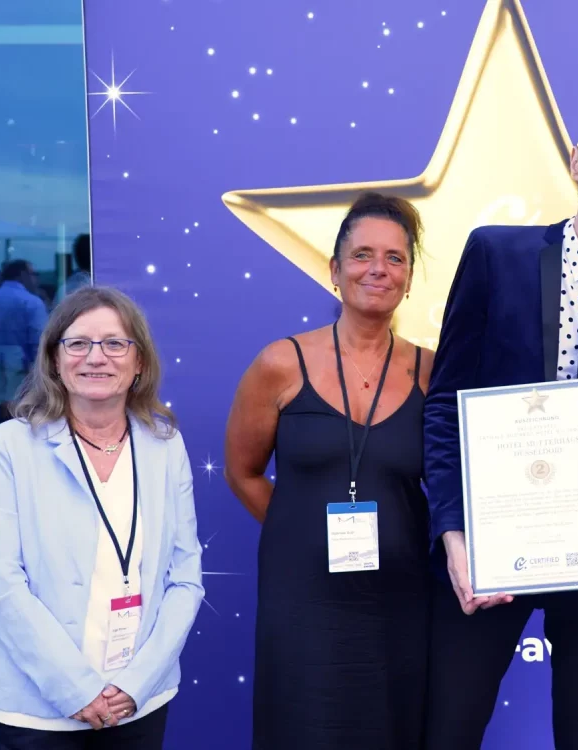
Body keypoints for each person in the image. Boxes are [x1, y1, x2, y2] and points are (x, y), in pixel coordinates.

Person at [422, 94, 578, 750]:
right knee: (449, 729)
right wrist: (453, 536)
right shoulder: (495, 256)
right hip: (491, 545)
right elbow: (445, 405)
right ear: (575, 161)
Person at [224, 192, 434, 749]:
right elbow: (242, 472)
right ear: (335, 270)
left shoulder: (431, 371)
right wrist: (299, 530)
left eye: (395, 258)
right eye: (363, 255)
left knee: (394, 729)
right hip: (303, 600)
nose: (378, 269)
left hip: (400, 601)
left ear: (410, 277)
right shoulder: (279, 364)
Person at [0, 286, 204, 748]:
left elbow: (185, 576)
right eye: (77, 343)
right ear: (55, 359)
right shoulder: (12, 446)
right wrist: (75, 688)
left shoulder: (165, 445)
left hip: (138, 699)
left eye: (115, 343)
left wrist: (136, 683)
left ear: (140, 362)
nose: (96, 357)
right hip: (38, 709)